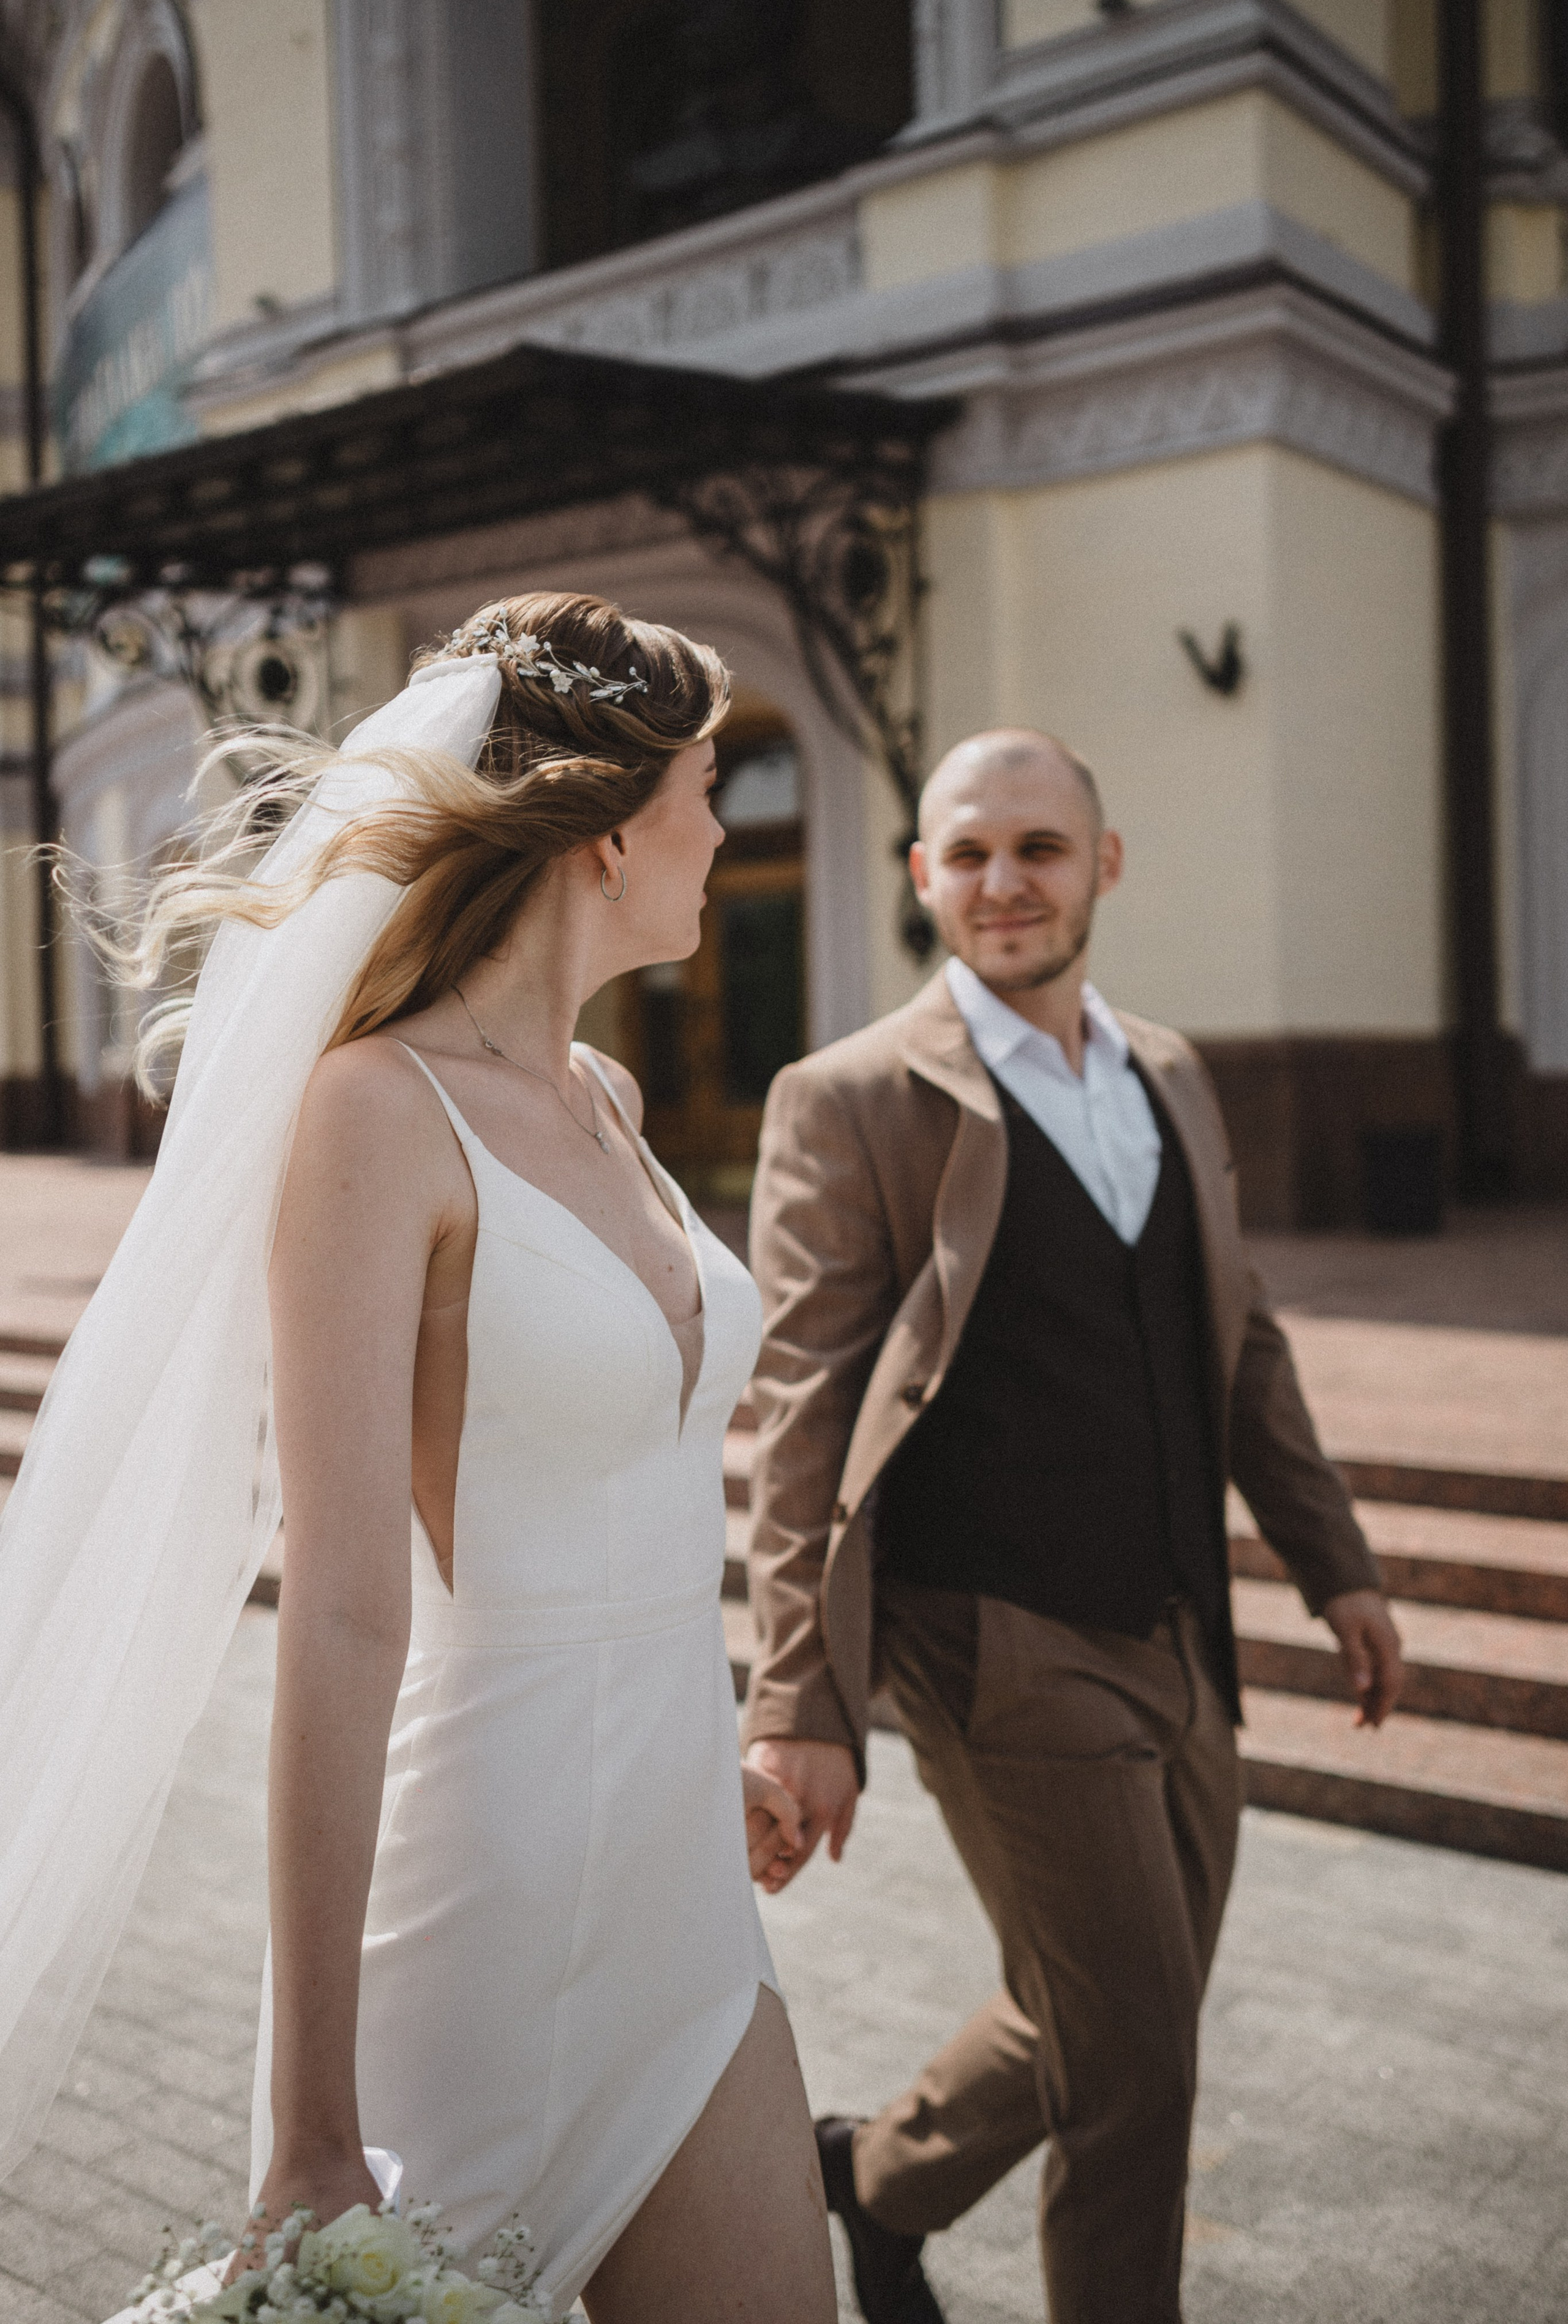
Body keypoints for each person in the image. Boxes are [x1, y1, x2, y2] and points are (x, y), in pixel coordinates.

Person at [0, 595, 835, 2324]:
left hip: (685, 1891)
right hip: (481, 1907)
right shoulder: (377, 1113)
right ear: (610, 832)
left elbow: (633, 1487)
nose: (722, 833)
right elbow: (343, 1616)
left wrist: (707, 1734)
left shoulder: (611, 1099)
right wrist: (314, 2124)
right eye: (706, 793)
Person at [741, 728, 1404, 2324]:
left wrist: (1337, 1562)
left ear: (1103, 863)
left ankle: (879, 2178)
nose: (1003, 883)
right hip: (998, 1642)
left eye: (1038, 847)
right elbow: (803, 1410)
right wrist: (797, 1694)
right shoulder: (850, 1098)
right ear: (923, 877)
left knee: (1109, 2011)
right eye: (968, 854)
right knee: (1138, 2069)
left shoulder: (1168, 1068)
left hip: (1184, 1627)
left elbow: (1241, 1342)